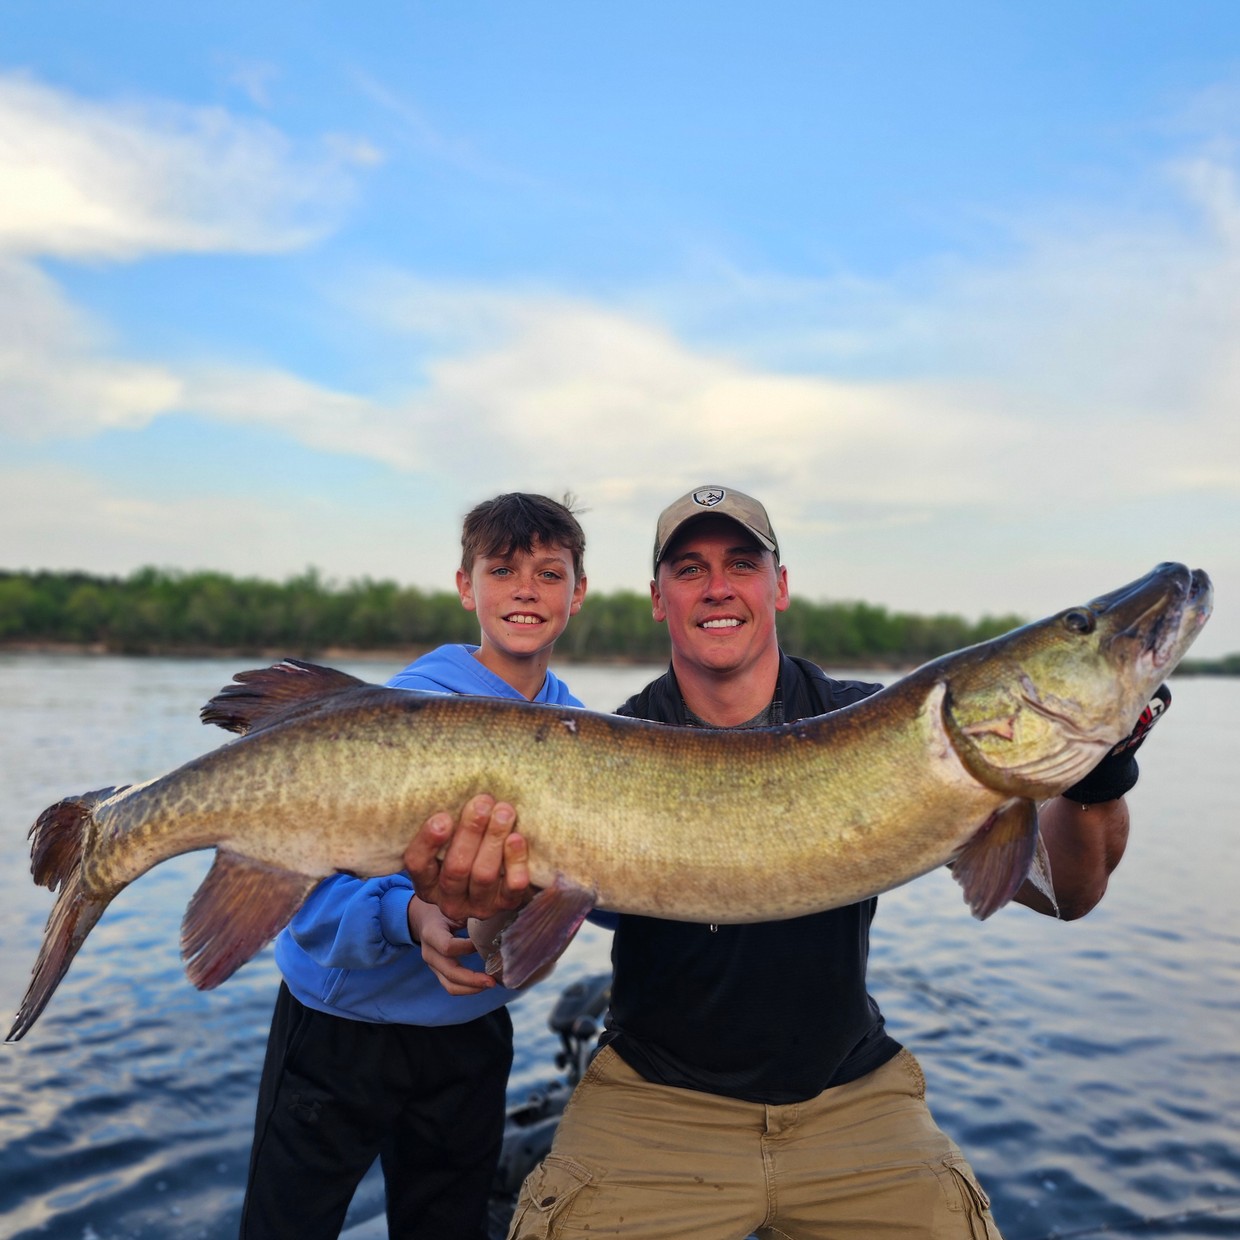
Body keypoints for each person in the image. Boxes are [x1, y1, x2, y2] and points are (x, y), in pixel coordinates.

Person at [403, 485, 1172, 1240]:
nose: (717, 588)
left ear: (780, 586)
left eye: (741, 563)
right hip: (654, 1102)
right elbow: (513, 944)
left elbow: (1069, 892)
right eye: (690, 569)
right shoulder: (610, 738)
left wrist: (1101, 769)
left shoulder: (884, 720)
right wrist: (469, 902)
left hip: (852, 1096)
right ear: (657, 598)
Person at [239, 492, 588, 1240]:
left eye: (550, 573)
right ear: (467, 588)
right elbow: (311, 901)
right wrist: (408, 918)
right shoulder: (402, 708)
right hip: (339, 1025)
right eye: (502, 570)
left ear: (577, 594)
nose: (526, 588)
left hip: (468, 1033)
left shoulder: (583, 730)